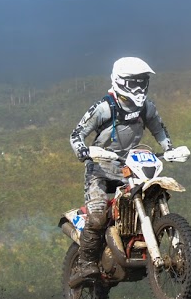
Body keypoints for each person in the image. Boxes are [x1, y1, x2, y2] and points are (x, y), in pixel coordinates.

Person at [68, 56, 175, 284]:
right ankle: (86, 265)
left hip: (130, 168)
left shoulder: (146, 108)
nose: (139, 87)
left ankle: (141, 245)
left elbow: (160, 130)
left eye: (142, 82)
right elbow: (76, 134)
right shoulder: (104, 108)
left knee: (149, 202)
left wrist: (169, 149)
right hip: (100, 169)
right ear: (120, 81)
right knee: (97, 216)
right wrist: (84, 152)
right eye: (133, 82)